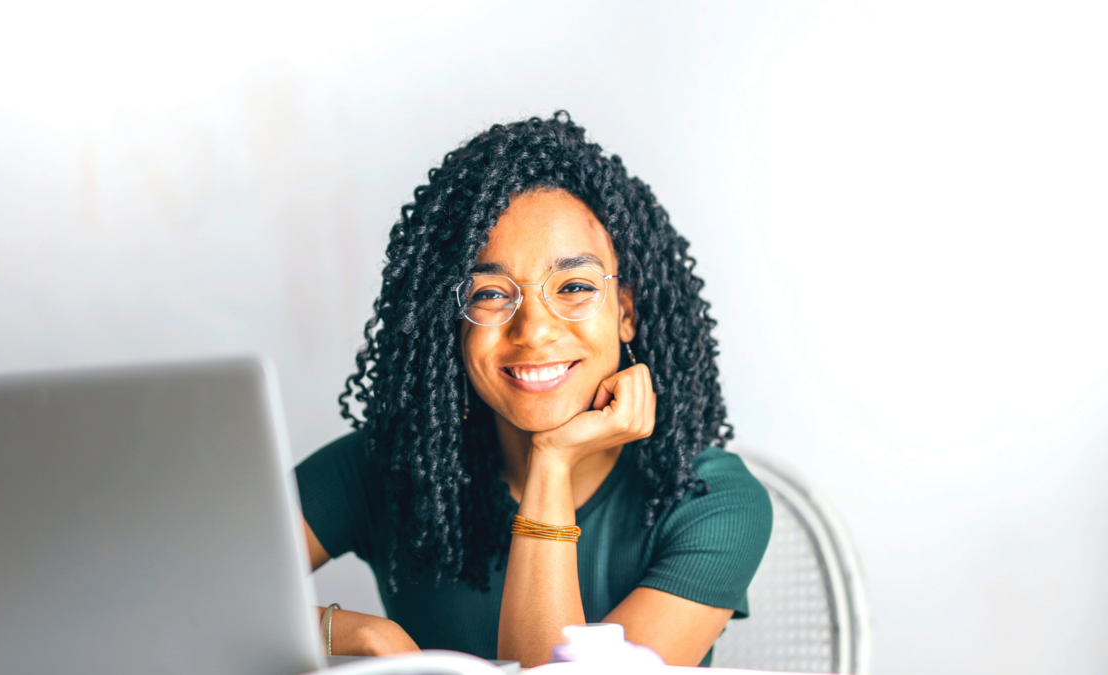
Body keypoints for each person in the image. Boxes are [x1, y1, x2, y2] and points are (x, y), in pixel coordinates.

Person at [295, 112, 773, 668]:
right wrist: (345, 634)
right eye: (491, 294)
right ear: (450, 321)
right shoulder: (386, 466)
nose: (535, 330)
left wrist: (552, 462)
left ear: (627, 311)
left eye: (573, 286)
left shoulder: (709, 500)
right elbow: (184, 591)